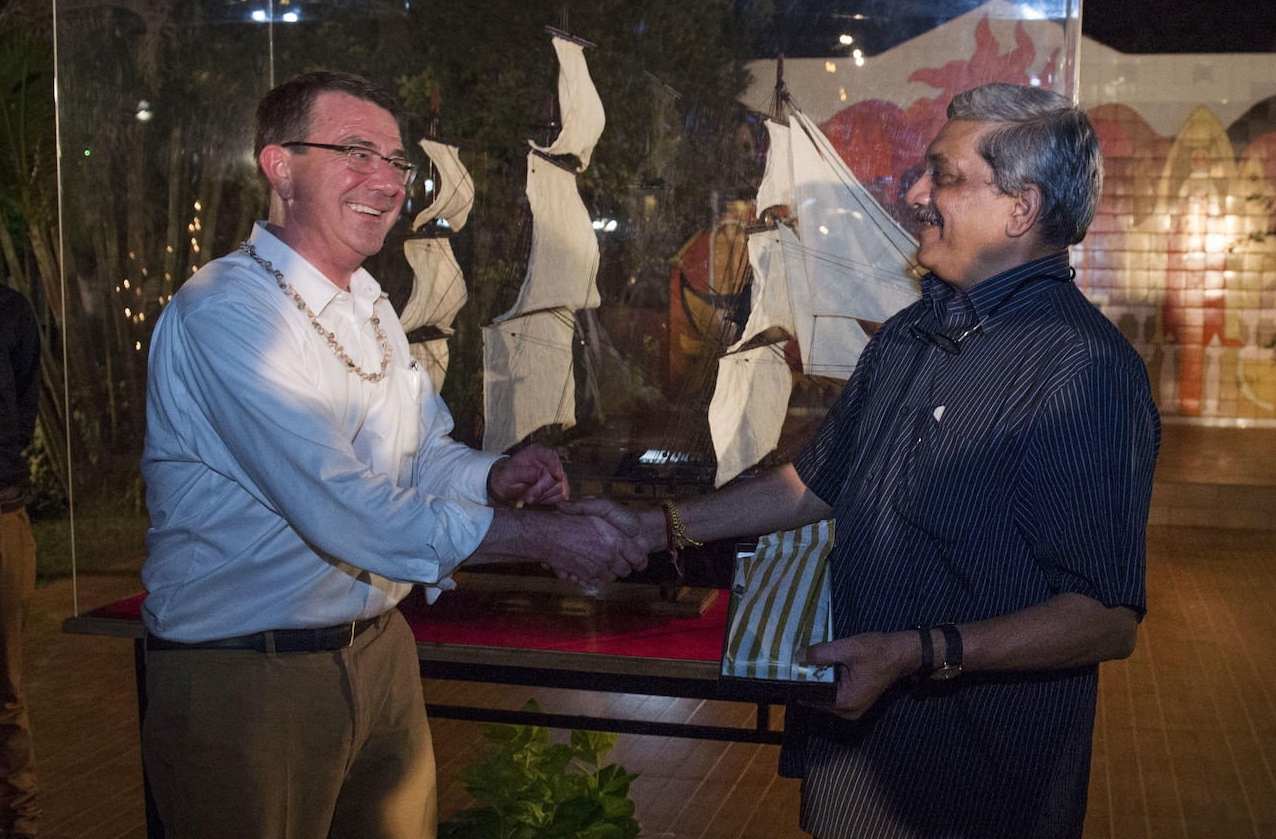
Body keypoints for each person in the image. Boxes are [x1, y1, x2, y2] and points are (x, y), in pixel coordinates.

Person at [565, 82, 1161, 838]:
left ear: (1020, 210)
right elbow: (811, 484)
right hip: (857, 754)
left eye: (943, 176)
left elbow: (1106, 618)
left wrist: (916, 653)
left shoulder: (1084, 369)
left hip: (976, 783)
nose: (914, 194)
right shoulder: (909, 335)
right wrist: (654, 526)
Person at [139, 71, 646, 839]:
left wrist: (491, 475)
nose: (386, 179)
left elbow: (421, 448)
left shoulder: (368, 301)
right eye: (355, 151)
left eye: (396, 161)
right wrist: (542, 537)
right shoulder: (226, 313)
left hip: (381, 657)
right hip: (248, 678)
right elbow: (342, 504)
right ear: (279, 167)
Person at [0, 279, 41, 839]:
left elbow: (22, 412)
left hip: (1, 513)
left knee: (7, 687)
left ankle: (21, 824)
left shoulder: (9, 310)